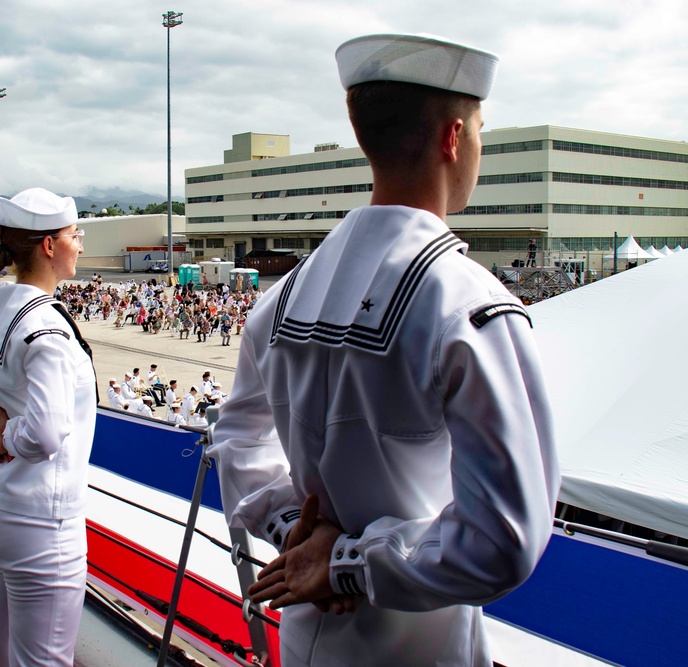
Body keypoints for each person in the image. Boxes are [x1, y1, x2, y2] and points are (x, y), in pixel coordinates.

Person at [209, 34, 559, 666]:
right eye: (479, 129)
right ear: (454, 137)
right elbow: (503, 540)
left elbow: (235, 438)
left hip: (307, 635)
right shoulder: (470, 304)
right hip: (413, 646)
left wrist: (297, 531)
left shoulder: (283, 296)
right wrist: (346, 562)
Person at [0, 188, 97, 666]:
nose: (80, 243)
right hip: (41, 518)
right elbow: (43, 434)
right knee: (41, 659)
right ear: (49, 246)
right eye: (74, 235)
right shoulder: (48, 330)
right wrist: (12, 435)